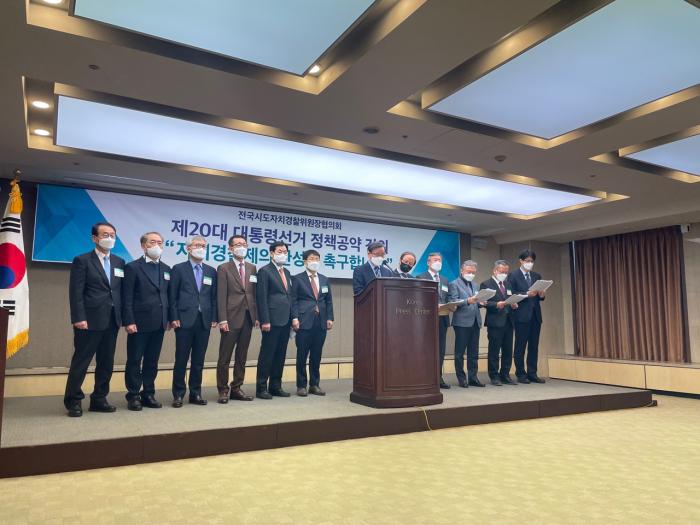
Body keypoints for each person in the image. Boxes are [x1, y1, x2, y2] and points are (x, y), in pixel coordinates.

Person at [64, 222, 124, 417]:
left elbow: (118, 291)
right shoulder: (82, 260)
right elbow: (76, 292)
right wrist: (78, 317)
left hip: (112, 320)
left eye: (113, 235)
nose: (110, 238)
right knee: (81, 361)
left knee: (106, 362)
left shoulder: (119, 262)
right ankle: (73, 400)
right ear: (95, 238)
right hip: (88, 320)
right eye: (105, 234)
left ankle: (99, 399)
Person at [122, 232, 171, 411]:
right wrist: (129, 321)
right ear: (144, 246)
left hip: (159, 322)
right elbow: (127, 297)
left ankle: (148, 393)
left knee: (152, 361)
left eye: (160, 242)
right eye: (152, 242)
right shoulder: (133, 267)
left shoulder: (166, 269)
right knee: (134, 360)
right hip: (139, 322)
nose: (157, 245)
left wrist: (169, 318)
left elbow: (168, 296)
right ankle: (133, 395)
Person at [168, 236, 217, 407]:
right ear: (188, 248)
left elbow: (213, 297)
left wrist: (214, 318)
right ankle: (178, 394)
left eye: (203, 246)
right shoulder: (178, 269)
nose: (201, 248)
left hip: (204, 321)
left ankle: (195, 393)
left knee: (198, 360)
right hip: (184, 320)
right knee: (181, 359)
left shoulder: (211, 271)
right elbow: (172, 296)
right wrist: (174, 317)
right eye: (197, 245)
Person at [216, 234, 258, 403]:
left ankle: (237, 388)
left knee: (242, 356)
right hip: (230, 318)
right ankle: (223, 390)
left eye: (244, 244)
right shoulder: (223, 268)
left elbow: (253, 294)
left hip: (248, 318)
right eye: (238, 244)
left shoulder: (252, 268)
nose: (241, 247)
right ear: (230, 248)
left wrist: (256, 316)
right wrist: (222, 319)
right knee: (224, 357)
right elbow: (221, 296)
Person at [291, 249, 334, 397]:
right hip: (304, 321)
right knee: (302, 355)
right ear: (305, 262)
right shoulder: (297, 279)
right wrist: (294, 318)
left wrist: (330, 318)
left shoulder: (324, 279)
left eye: (317, 259)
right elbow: (293, 300)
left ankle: (314, 385)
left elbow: (328, 301)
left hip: (321, 322)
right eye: (311, 259)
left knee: (316, 355)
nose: (314, 261)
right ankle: (301, 385)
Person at [256, 241, 294, 399]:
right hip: (271, 320)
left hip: (285, 320)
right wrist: (265, 320)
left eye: (285, 252)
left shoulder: (287, 272)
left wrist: (293, 317)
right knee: (267, 354)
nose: (283, 254)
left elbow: (289, 296)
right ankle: (261, 388)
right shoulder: (265, 271)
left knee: (280, 355)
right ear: (272, 253)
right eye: (280, 251)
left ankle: (275, 386)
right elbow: (262, 297)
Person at [509, 249, 546, 384]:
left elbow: (540, 297)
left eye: (532, 261)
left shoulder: (536, 275)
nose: (530, 263)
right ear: (521, 261)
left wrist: (542, 294)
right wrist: (526, 294)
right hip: (521, 315)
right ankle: (520, 373)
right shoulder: (513, 275)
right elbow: (511, 294)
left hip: (535, 315)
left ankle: (532, 373)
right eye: (527, 261)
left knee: (534, 346)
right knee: (520, 345)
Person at [480, 260, 518, 386]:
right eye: (502, 272)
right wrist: (496, 304)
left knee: (508, 350)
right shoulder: (486, 284)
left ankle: (505, 375)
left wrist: (513, 304)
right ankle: (494, 376)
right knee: (494, 351)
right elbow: (483, 302)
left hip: (509, 321)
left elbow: (510, 297)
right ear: (495, 271)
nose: (504, 274)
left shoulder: (508, 284)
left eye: (506, 272)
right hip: (495, 322)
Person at [448, 260, 484, 388]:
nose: (471, 274)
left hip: (475, 321)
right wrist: (467, 301)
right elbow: (453, 301)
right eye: (469, 272)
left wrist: (481, 303)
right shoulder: (454, 284)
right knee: (460, 353)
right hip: (462, 322)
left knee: (474, 352)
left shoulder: (475, 285)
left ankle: (473, 377)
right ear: (462, 271)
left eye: (473, 272)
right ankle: (461, 378)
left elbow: (476, 302)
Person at [418, 252, 451, 389]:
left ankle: (438, 377)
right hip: (426, 320)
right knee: (426, 349)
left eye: (440, 260)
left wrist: (452, 305)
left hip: (442, 318)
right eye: (435, 260)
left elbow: (448, 297)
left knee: (440, 350)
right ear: (428, 262)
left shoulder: (444, 280)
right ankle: (424, 377)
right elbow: (418, 299)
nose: (438, 262)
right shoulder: (421, 277)